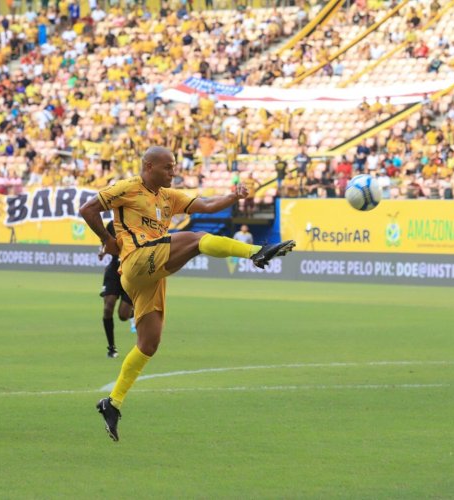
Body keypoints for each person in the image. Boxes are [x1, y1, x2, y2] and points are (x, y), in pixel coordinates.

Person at [79, 146, 295, 441]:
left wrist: (232, 197)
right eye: (167, 167)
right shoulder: (127, 188)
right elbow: (87, 209)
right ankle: (257, 252)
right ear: (148, 165)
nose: (173, 171)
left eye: (175, 166)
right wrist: (107, 239)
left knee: (148, 344)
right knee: (196, 240)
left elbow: (206, 206)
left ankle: (112, 403)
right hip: (136, 260)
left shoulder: (170, 197)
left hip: (149, 276)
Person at [99, 221, 136, 359]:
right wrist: (102, 251)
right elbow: (104, 240)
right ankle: (111, 348)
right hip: (114, 271)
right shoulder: (111, 225)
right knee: (108, 307)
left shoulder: (136, 222)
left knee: (123, 316)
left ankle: (132, 314)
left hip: (131, 272)